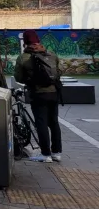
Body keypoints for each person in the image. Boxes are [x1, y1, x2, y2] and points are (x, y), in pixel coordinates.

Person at [14, 30, 62, 162]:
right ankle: (57, 152)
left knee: (41, 123)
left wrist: (30, 80)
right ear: (38, 40)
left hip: (38, 94)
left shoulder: (23, 58)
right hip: (54, 93)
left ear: (25, 41)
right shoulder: (51, 54)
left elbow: (18, 77)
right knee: (54, 122)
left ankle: (45, 154)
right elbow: (59, 72)